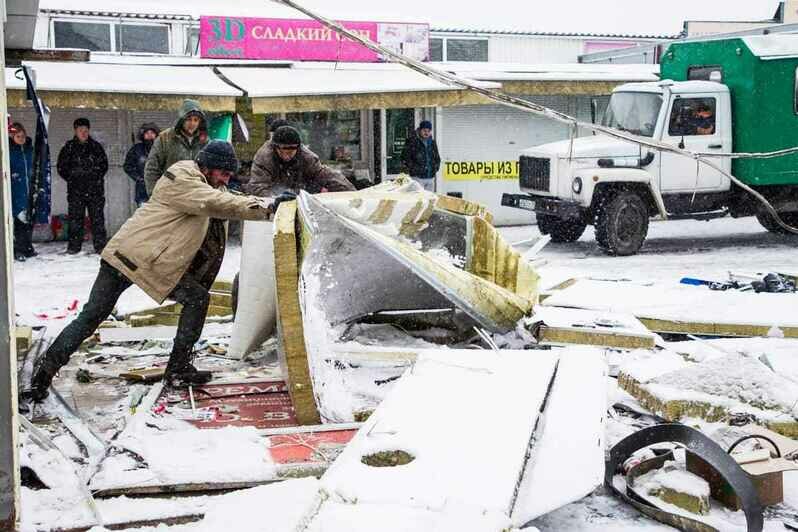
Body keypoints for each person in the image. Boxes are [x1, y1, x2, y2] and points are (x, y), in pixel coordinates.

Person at [22, 141, 275, 405]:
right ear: (207, 166)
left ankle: (177, 367)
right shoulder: (183, 177)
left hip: (149, 260)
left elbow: (226, 199)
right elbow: (216, 202)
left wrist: (264, 200)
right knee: (93, 317)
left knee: (194, 298)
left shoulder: (206, 184)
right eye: (223, 173)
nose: (226, 178)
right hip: (134, 257)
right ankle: (43, 375)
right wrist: (268, 208)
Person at [244, 125, 355, 198]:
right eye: (284, 151)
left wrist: (351, 194)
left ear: (298, 148)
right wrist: (277, 199)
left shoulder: (306, 156)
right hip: (271, 197)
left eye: (292, 151)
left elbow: (327, 176)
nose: (288, 155)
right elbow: (257, 187)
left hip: (297, 190)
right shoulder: (264, 158)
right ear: (276, 148)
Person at [56, 118, 109, 254]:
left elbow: (104, 166)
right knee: (75, 220)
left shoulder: (96, 147)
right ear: (75, 131)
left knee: (97, 219)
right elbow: (61, 167)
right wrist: (73, 178)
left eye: (86, 130)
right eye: (81, 130)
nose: (83, 133)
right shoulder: (68, 148)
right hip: (76, 191)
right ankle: (74, 247)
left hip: (95, 191)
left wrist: (93, 176)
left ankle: (100, 246)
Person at [144, 99, 208, 195]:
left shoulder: (205, 141)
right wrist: (154, 194)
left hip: (197, 195)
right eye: (189, 119)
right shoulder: (165, 138)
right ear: (181, 120)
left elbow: (210, 171)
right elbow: (152, 169)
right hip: (171, 194)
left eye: (196, 120)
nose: (192, 124)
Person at [8, 122, 36, 261]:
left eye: (23, 136)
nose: (21, 139)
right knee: (18, 220)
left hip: (28, 189)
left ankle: (27, 246)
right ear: (12, 136)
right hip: (16, 189)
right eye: (18, 136)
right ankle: (17, 249)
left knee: (28, 219)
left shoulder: (29, 149)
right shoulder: (9, 151)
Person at [123, 122, 161, 206]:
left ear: (156, 134)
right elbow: (127, 166)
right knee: (143, 216)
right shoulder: (137, 149)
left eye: (152, 133)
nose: (150, 135)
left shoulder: (161, 149)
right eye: (147, 133)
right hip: (142, 192)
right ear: (143, 135)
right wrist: (139, 178)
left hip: (160, 191)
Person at [401, 120, 441, 192]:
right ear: (420, 130)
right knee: (418, 199)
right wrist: (413, 169)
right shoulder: (412, 141)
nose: (426, 133)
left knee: (428, 200)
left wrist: (435, 168)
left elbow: (437, 158)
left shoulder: (432, 142)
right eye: (424, 130)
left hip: (430, 177)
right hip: (417, 178)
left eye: (428, 131)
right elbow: (405, 157)